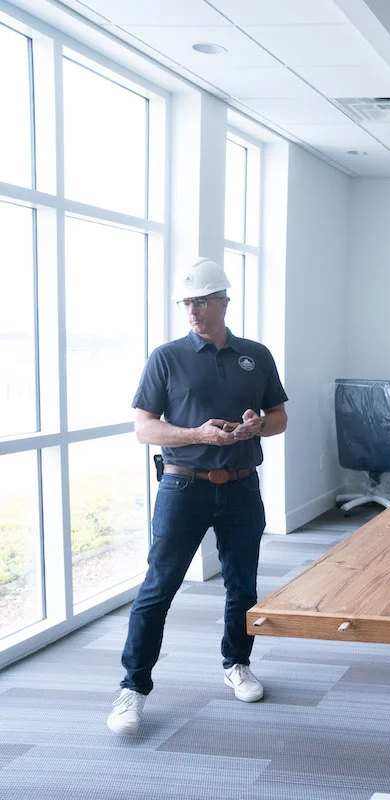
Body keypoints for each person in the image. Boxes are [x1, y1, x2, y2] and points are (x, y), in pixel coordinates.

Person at [107, 257, 288, 735]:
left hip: (243, 486)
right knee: (158, 589)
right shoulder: (167, 357)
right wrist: (198, 435)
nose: (193, 310)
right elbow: (145, 430)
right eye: (188, 302)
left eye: (202, 301)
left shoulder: (257, 355)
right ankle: (133, 688)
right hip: (182, 486)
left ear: (224, 302)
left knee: (242, 586)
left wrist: (257, 426)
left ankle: (237, 663)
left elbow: (279, 419)